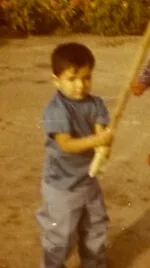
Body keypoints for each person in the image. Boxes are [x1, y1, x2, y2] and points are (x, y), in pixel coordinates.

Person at [36, 42, 113, 268]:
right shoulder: (56, 109)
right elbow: (65, 145)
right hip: (62, 186)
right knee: (61, 237)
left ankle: (94, 264)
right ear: (56, 79)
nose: (80, 85)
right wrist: (97, 141)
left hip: (88, 182)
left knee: (96, 228)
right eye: (72, 79)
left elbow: (101, 131)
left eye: (87, 77)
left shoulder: (96, 103)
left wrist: (104, 145)